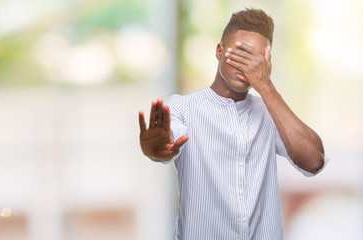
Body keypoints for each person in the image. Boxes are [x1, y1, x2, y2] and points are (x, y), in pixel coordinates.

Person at [138, 8, 328, 240]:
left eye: (255, 57)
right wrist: (157, 151)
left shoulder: (271, 112)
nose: (246, 65)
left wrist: (265, 86)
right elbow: (167, 141)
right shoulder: (183, 108)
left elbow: (314, 161)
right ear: (219, 51)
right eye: (239, 53)